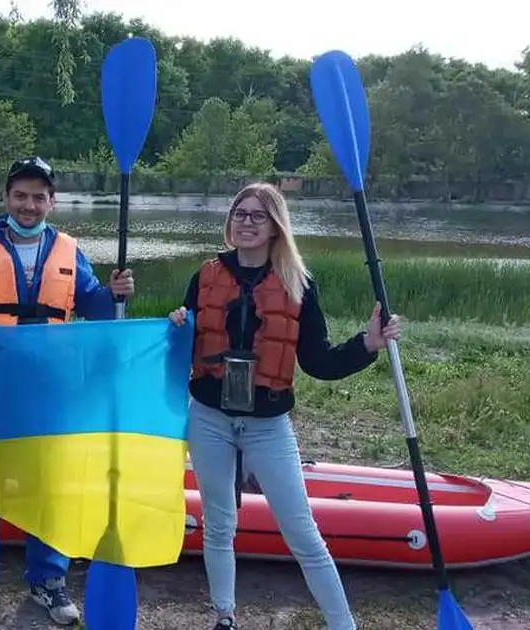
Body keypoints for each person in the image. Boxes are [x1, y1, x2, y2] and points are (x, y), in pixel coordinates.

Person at [168, 182, 401, 630]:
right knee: (219, 524)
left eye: (258, 215)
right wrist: (177, 326)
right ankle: (224, 615)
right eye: (240, 213)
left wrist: (367, 344)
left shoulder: (298, 283)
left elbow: (319, 362)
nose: (247, 222)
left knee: (302, 532)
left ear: (276, 226)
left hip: (267, 426)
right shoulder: (206, 276)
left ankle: (342, 624)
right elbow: (183, 351)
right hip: (210, 419)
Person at [0, 156, 136, 626]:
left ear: (52, 201)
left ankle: (48, 578)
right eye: (21, 195)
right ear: (6, 198)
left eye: (39, 197)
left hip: (51, 389)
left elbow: (98, 309)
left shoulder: (69, 250)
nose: (29, 205)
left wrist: (117, 292)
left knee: (49, 485)